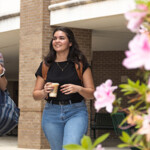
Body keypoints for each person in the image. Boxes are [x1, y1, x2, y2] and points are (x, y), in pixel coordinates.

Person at [33, 26, 95, 150]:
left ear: (70, 42)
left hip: (76, 112)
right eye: (55, 38)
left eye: (62, 38)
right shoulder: (46, 65)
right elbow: (35, 94)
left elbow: (92, 93)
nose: (57, 41)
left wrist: (79, 89)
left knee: (70, 148)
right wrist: (44, 91)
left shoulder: (80, 64)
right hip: (51, 112)